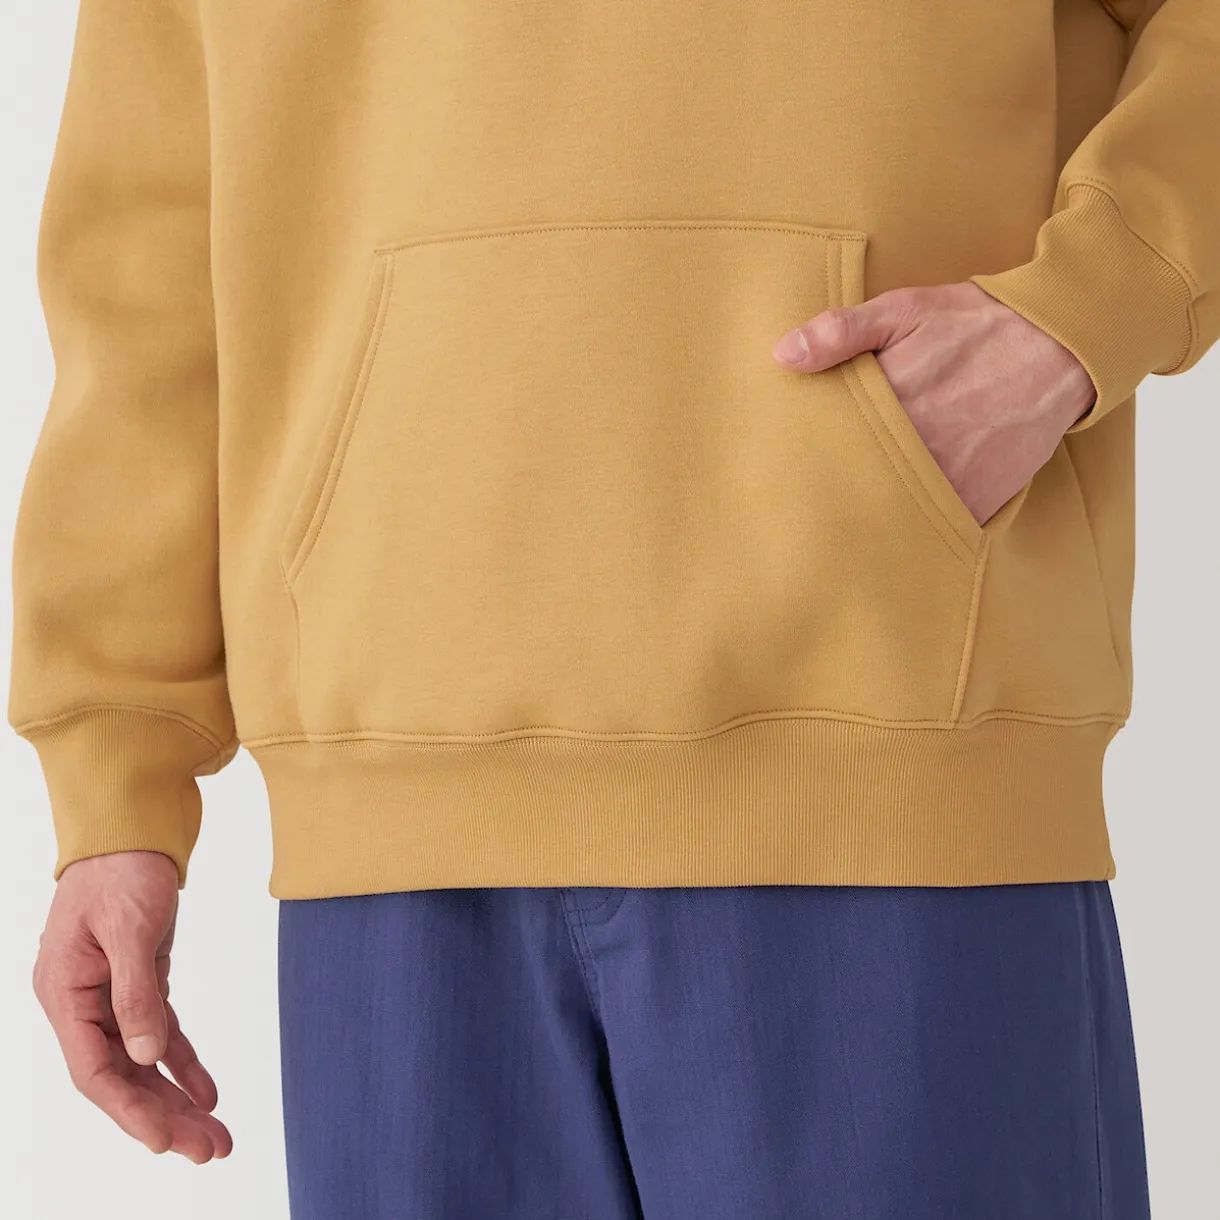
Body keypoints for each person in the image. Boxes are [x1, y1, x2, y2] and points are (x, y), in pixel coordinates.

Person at [11, 0, 1218, 1215]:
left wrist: (1078, 311)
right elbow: (149, 248)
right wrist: (113, 777)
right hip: (388, 828)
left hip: (892, 766)